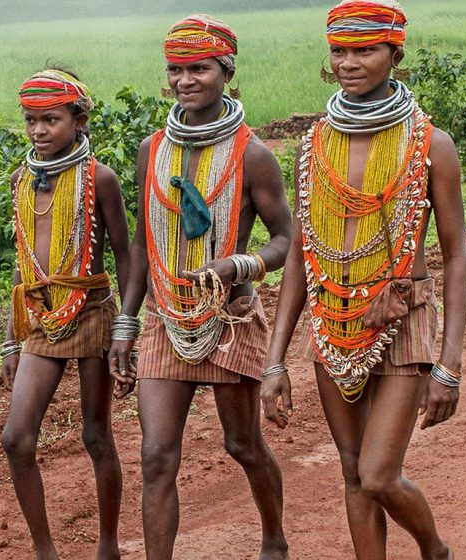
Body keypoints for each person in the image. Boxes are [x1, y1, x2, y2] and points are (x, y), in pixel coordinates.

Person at [260, 1, 466, 559]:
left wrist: (449, 362)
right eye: (340, 51)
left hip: (404, 316)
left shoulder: (431, 144)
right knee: (352, 473)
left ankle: (434, 549)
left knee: (379, 474)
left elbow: (457, 255)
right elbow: (305, 256)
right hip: (333, 320)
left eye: (366, 50)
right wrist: (275, 361)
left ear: (395, 55)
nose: (349, 62)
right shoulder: (313, 146)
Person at [106, 14, 294, 560]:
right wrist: (127, 321)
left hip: (229, 321)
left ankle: (274, 540)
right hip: (168, 321)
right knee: (157, 456)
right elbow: (143, 242)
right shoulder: (152, 150)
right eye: (175, 69)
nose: (186, 80)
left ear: (227, 72)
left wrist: (238, 266)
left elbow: (285, 240)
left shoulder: (252, 156)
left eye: (200, 69)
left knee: (243, 445)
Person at [0, 68, 132, 560]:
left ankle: (108, 546)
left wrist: (125, 329)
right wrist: (13, 340)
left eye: (50, 120)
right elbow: (23, 261)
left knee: (96, 435)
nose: (38, 131)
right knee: (16, 439)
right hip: (40, 315)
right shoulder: (21, 180)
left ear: (78, 119)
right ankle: (44, 551)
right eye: (31, 121)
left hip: (92, 310)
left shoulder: (100, 179)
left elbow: (124, 254)